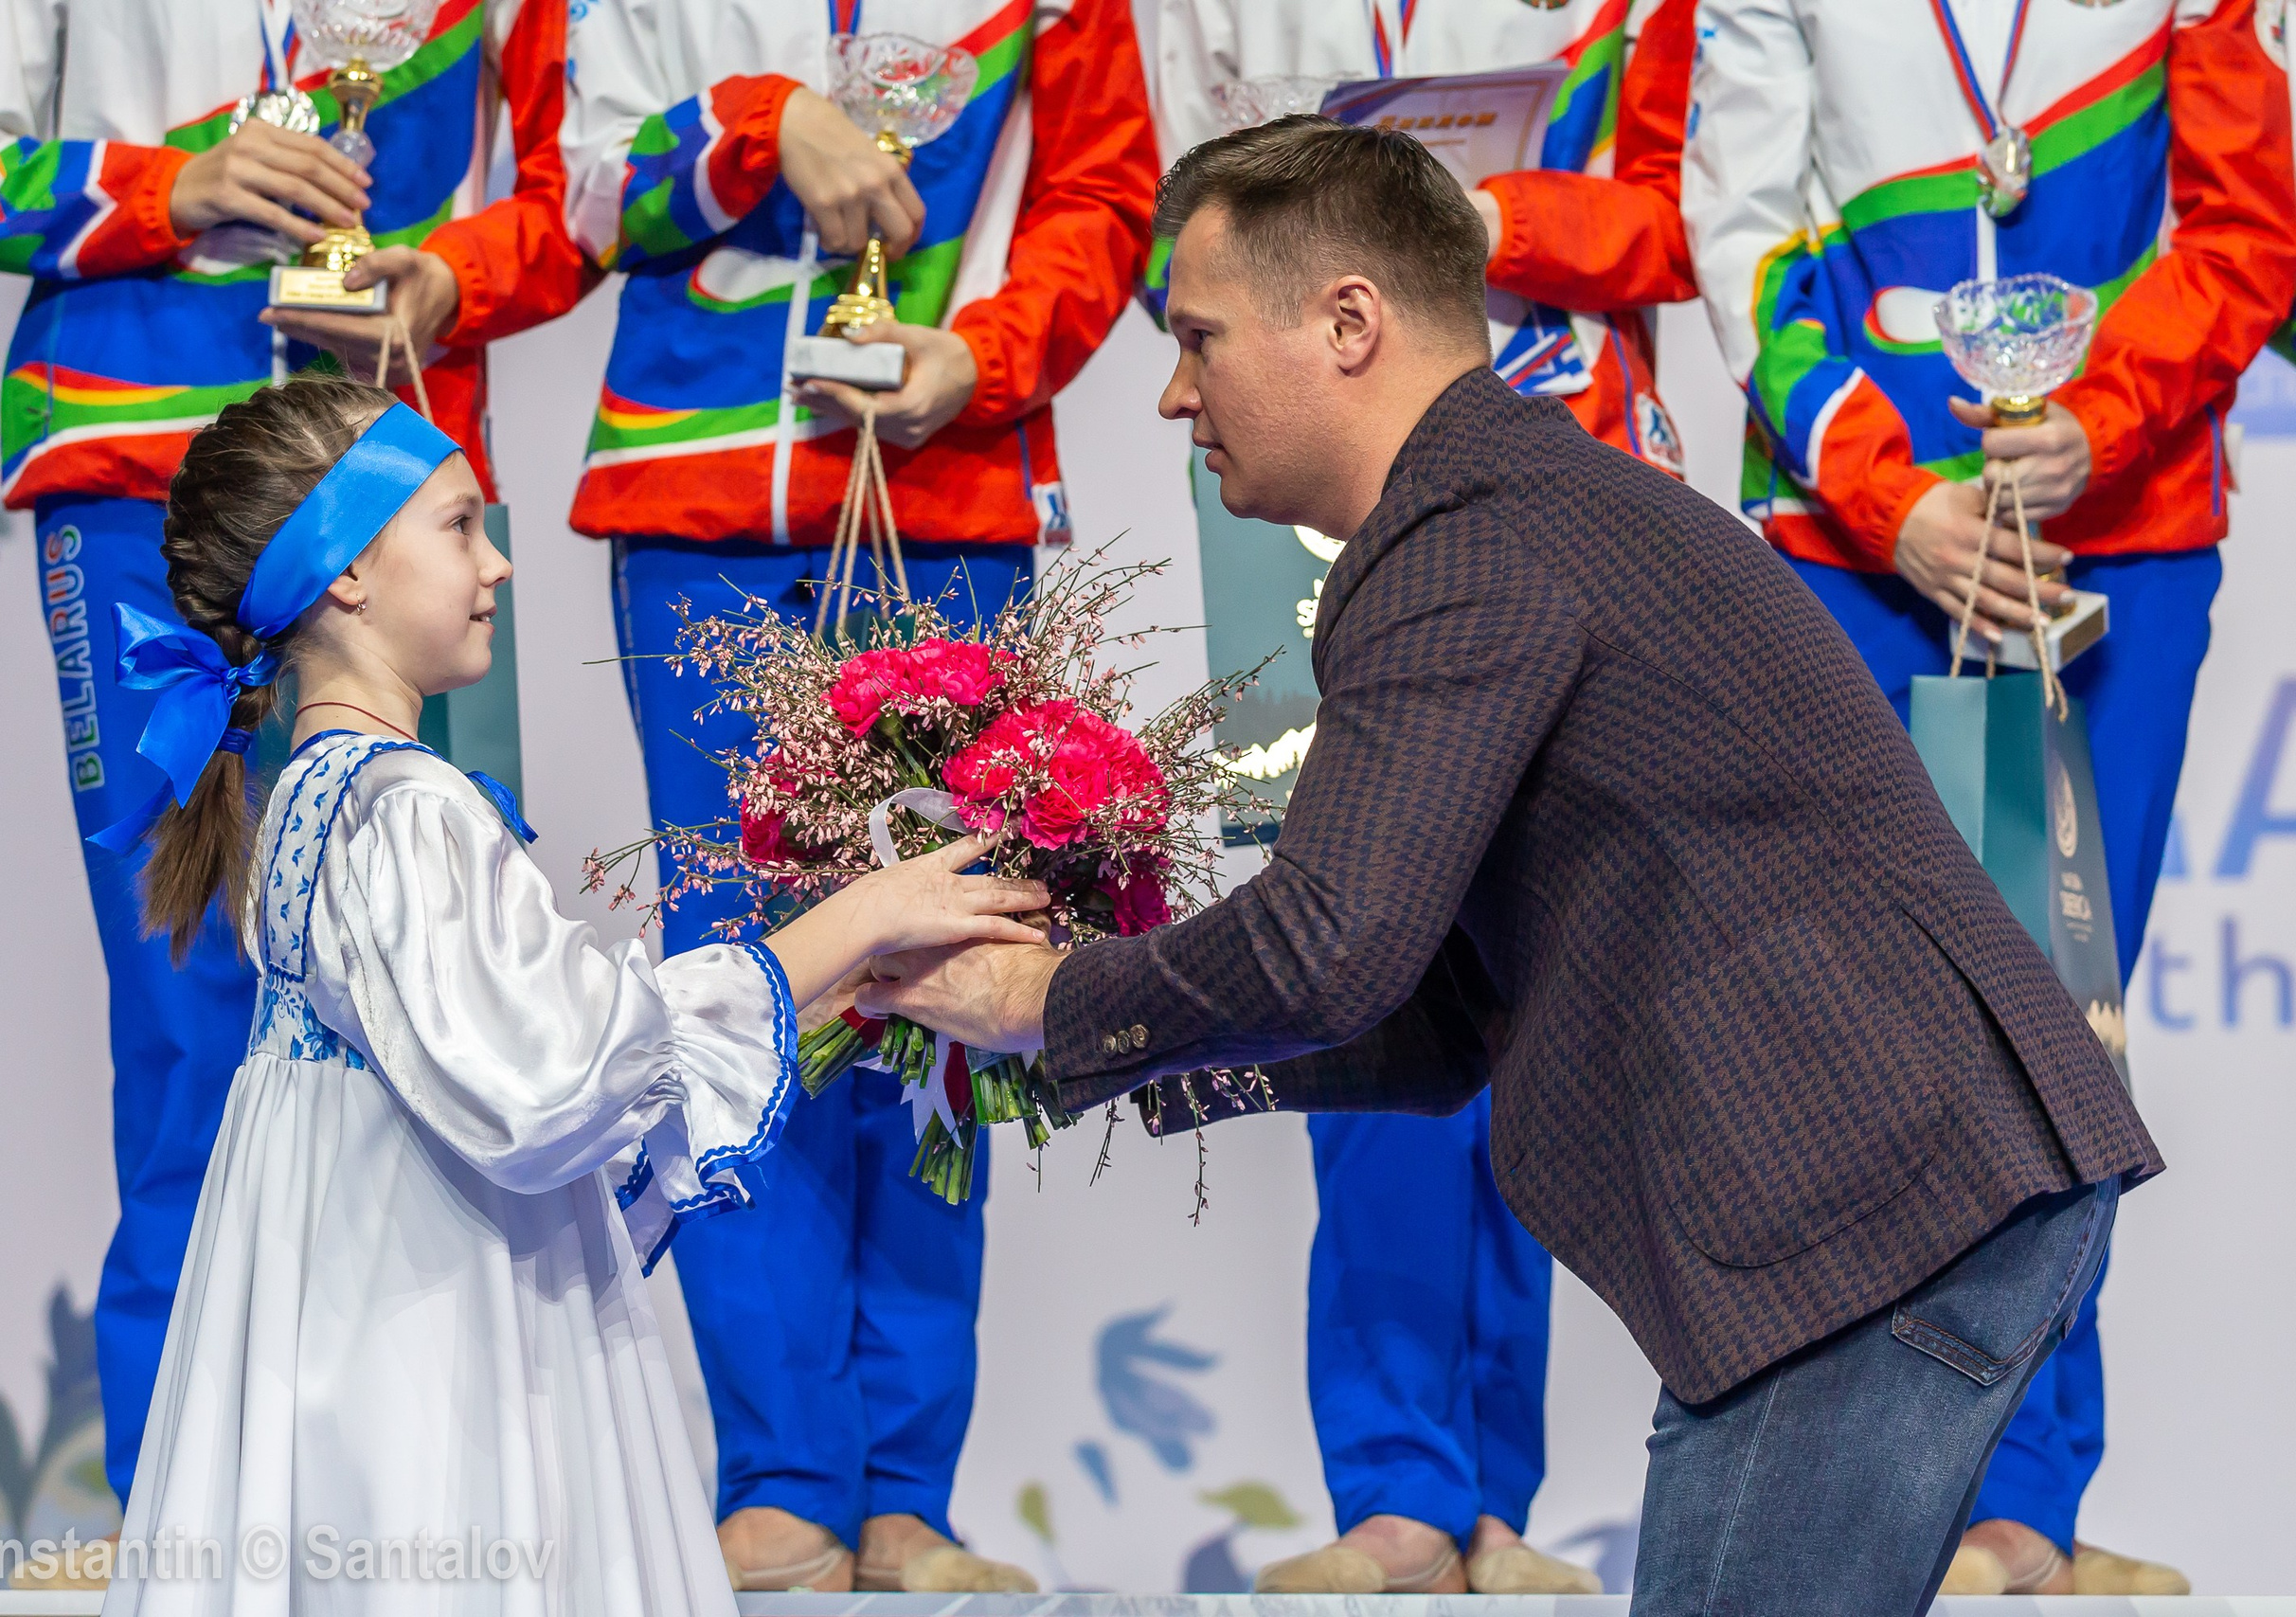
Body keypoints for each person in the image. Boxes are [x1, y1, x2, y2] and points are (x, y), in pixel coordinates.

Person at [859, 117, 2160, 1615]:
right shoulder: (1516, 506)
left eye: (1199, 337)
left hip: (1875, 1222)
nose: (1172, 391)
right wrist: (1080, 1054)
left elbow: (1326, 948)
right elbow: (1426, 1018)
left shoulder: (1464, 540)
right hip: (1896, 1218)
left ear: (1349, 322)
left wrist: (1045, 995)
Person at [94, 375, 1049, 1614]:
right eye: (456, 528)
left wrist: (822, 989)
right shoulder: (405, 810)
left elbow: (515, 1061)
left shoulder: (313, 803)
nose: (496, 565)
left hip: (360, 1308)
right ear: (346, 576)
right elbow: (555, 1079)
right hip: (428, 1345)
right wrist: (847, 926)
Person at [0, 0, 582, 1504]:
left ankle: (439, 1499)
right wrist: (175, 186)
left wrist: (448, 269)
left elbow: (579, 194)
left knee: (435, 1000)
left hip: (390, 477)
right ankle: (183, 1510)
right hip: (136, 469)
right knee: (188, 1011)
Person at [1680, 0, 2296, 1591]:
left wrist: (2100, 421)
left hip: (2118, 537)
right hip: (1861, 544)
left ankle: (2019, 1493)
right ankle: (1847, 1478)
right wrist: (1895, 502)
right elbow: (1743, 228)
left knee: (2048, 1004)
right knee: (1847, 1033)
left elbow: (2247, 224)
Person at [549, 0, 1157, 1591]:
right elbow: (588, 191)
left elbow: (1107, 193)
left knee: (944, 961)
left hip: (945, 489)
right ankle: (782, 1476)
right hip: (698, 501)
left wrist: (983, 353)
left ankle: (906, 1489)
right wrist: (764, 128)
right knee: (742, 969)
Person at [1148, 0, 1698, 1595]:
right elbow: (1169, 241)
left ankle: (1498, 1499)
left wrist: (1466, 225)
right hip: (1306, 477)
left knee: (1541, 983)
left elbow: (1676, 221)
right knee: (1351, 964)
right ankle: (1394, 1489)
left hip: (1560, 469)